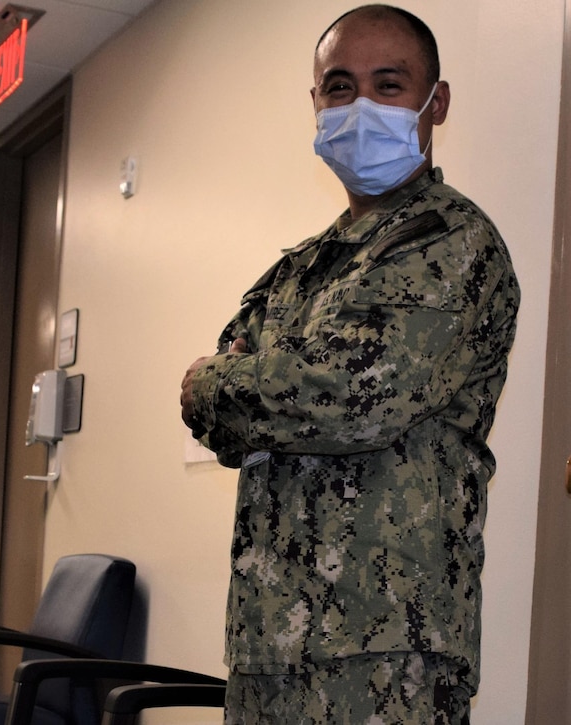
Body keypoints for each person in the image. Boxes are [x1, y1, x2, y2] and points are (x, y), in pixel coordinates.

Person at [179, 5, 519, 723]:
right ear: (315, 103)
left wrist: (222, 378)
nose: (359, 105)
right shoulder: (301, 271)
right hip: (268, 642)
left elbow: (355, 394)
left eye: (388, 84)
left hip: (387, 650)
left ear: (437, 103)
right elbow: (228, 427)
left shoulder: (453, 243)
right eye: (339, 87)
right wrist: (245, 389)